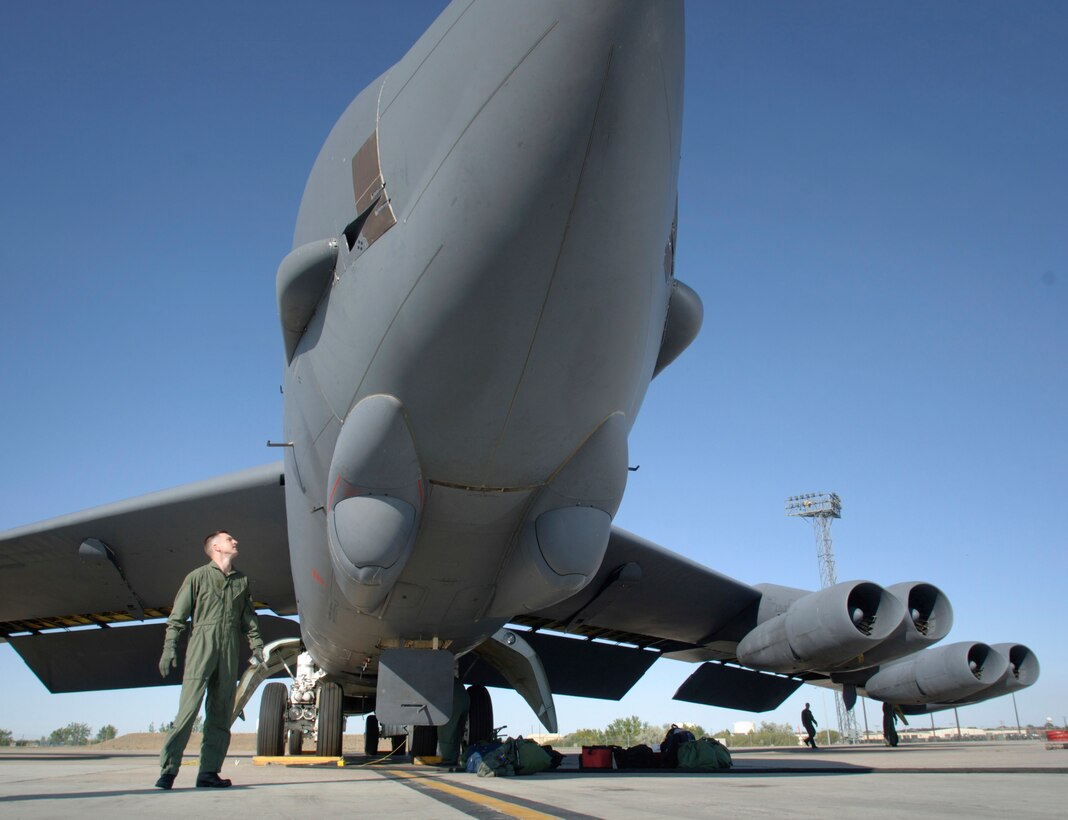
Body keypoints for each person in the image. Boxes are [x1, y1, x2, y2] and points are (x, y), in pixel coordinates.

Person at [155, 531, 264, 789]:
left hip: (229, 650)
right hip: (201, 646)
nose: (235, 541)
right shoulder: (197, 577)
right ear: (215, 546)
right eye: (229, 539)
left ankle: (208, 773)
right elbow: (178, 617)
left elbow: (248, 617)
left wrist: (257, 645)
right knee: (188, 712)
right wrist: (169, 647)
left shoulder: (241, 580)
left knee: (221, 714)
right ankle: (168, 771)